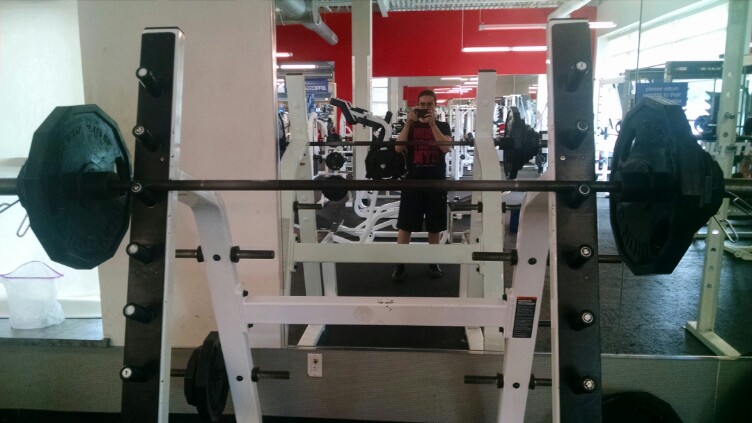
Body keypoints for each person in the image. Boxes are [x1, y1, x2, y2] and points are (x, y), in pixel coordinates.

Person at [391, 89, 452, 282]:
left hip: (436, 182)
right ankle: (400, 264)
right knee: (405, 226)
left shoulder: (443, 125)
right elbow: (398, 148)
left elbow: (446, 148)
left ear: (435, 106)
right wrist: (408, 123)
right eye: (422, 104)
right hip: (413, 181)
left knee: (434, 227)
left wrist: (432, 125)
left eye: (429, 104)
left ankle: (433, 262)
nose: (426, 108)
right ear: (417, 106)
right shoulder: (410, 126)